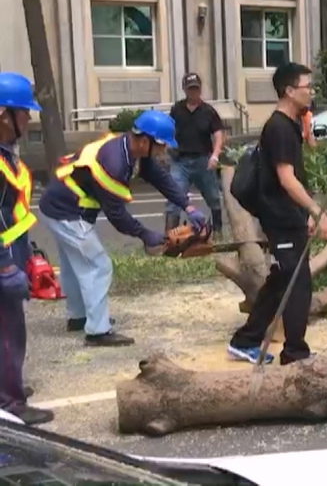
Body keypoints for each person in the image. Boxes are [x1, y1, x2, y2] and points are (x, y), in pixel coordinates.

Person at [38, 111, 207, 347]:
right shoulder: (114, 164)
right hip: (66, 212)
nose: (163, 152)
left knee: (73, 262)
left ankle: (79, 317)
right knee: (98, 264)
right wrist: (146, 235)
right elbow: (117, 215)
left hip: (58, 206)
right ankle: (97, 331)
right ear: (145, 141)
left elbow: (159, 177)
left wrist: (187, 206)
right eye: (161, 146)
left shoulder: (128, 146)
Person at [228, 63, 327, 365]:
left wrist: (307, 215)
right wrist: (317, 211)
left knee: (280, 279)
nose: (311, 92)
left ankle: (245, 341)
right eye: (307, 87)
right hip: (280, 217)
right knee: (297, 283)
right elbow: (287, 179)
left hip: (290, 217)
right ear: (289, 91)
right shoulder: (278, 128)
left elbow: (302, 166)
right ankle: (295, 354)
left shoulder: (290, 125)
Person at [0, 72, 53, 425]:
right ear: (4, 115)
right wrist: (5, 265)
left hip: (11, 248)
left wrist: (27, 250)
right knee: (8, 332)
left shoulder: (6, 155)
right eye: (24, 112)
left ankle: (9, 385)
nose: (29, 118)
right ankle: (10, 403)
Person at [165, 73, 225, 233]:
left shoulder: (208, 111)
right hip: (180, 161)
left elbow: (218, 134)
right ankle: (171, 236)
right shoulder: (177, 109)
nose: (194, 93)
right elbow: (169, 130)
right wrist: (167, 145)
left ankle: (218, 232)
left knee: (213, 196)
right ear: (184, 89)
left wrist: (215, 155)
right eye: (190, 89)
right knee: (174, 197)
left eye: (196, 89)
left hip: (203, 160)